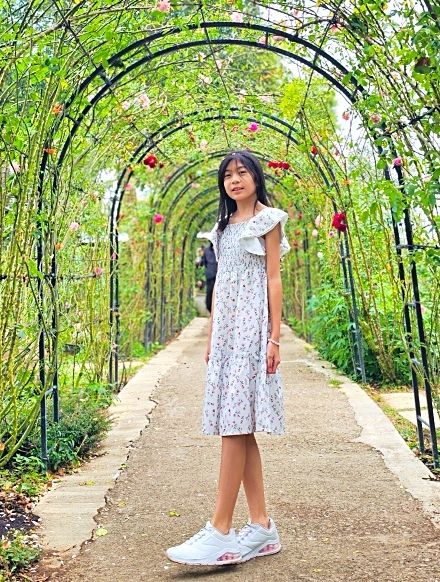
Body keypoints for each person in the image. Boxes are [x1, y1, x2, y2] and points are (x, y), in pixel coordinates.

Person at [166, 150, 287, 566]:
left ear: (256, 178)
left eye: (242, 173)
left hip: (253, 329)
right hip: (227, 332)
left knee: (234, 425)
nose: (235, 180)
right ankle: (262, 526)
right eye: (228, 175)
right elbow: (219, 285)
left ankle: (220, 529)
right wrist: (211, 334)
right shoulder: (221, 227)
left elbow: (273, 277)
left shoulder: (268, 220)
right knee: (239, 424)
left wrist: (274, 338)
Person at [195, 241, 217, 312]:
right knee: (209, 297)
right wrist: (198, 263)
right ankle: (210, 310)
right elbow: (202, 262)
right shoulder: (207, 251)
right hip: (210, 277)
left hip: (219, 278)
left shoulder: (220, 250)